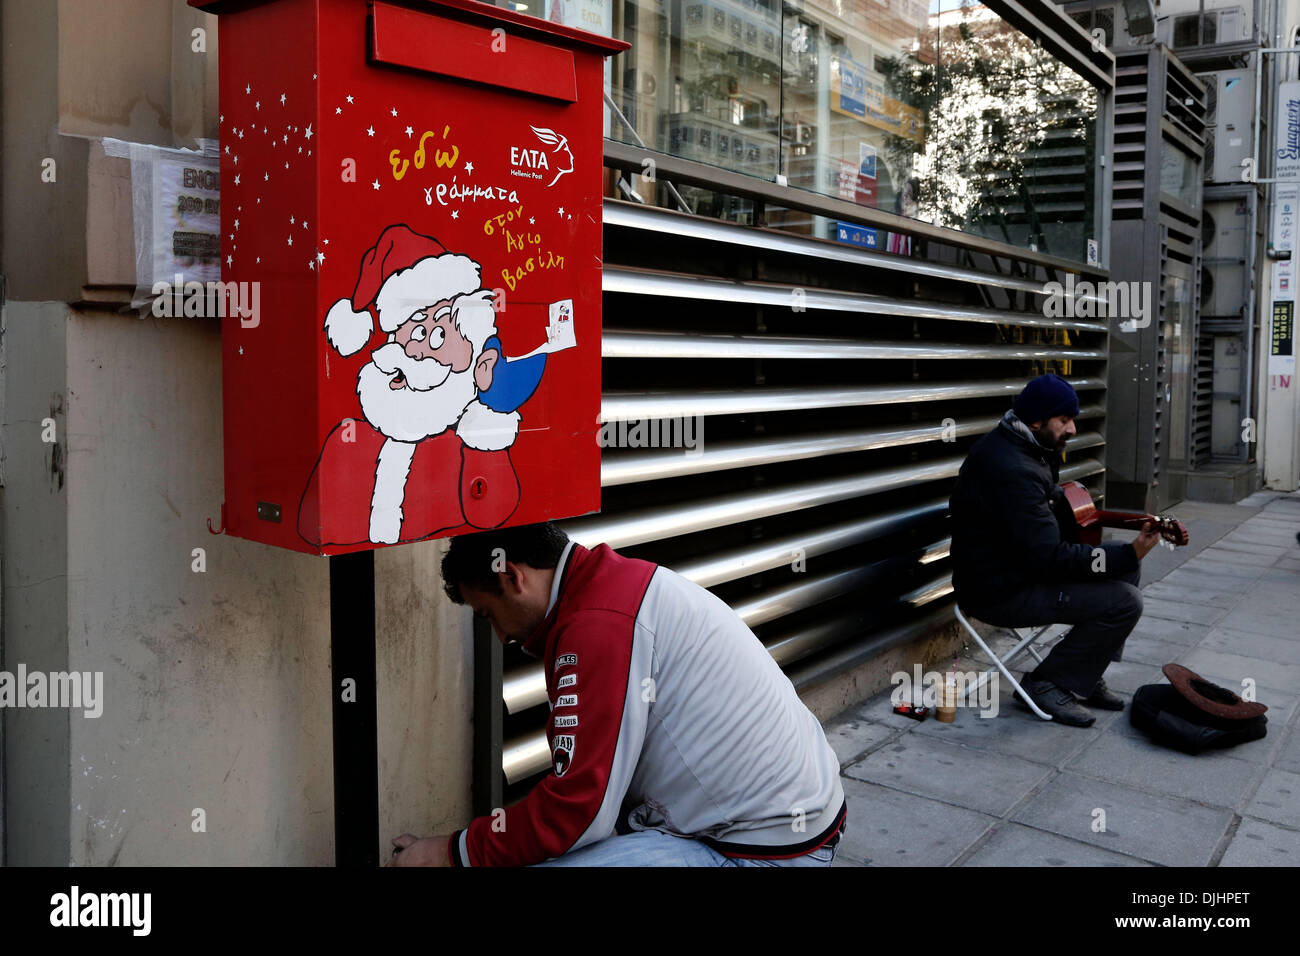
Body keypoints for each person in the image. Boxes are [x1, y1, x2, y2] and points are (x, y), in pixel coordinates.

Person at [388, 522, 847, 866]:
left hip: (767, 851)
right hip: (790, 818)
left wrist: (449, 852)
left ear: (512, 576)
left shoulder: (598, 625)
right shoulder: (609, 587)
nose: (498, 634)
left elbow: (575, 813)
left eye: (488, 613)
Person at [948, 374, 1163, 727]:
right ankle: (1046, 683)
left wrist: (1122, 555)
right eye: (1064, 420)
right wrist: (1129, 551)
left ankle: (1083, 672)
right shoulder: (1013, 467)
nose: (1073, 429)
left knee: (1123, 570)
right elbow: (1049, 558)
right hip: (998, 592)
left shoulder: (1028, 447)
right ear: (1036, 419)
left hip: (1018, 572)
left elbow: (1042, 539)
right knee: (1126, 599)